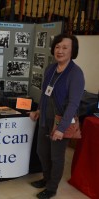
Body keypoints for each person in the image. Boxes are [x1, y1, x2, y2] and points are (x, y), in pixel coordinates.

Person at [29, 33, 85, 199]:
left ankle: (52, 188)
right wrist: (39, 110)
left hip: (61, 121)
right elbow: (45, 94)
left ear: (72, 51)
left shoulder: (75, 73)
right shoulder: (51, 68)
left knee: (56, 156)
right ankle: (46, 178)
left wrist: (61, 129)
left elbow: (73, 104)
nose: (60, 50)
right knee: (41, 151)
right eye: (57, 47)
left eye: (65, 47)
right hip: (46, 117)